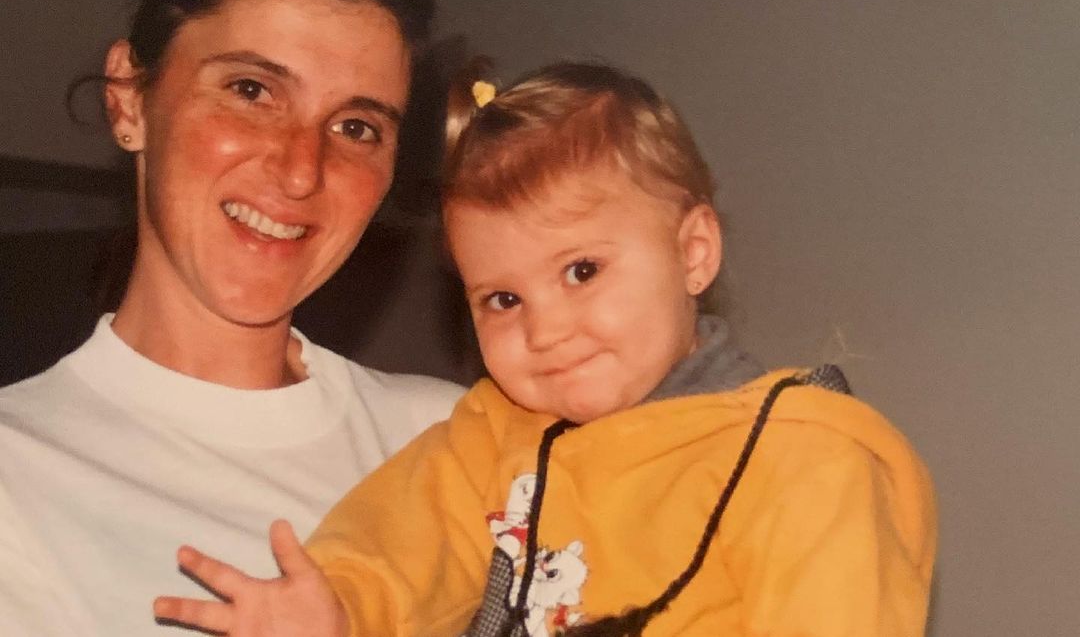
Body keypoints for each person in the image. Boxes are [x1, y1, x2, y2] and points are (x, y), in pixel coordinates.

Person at [154, 61, 938, 636]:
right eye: (503, 298)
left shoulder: (801, 457)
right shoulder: (496, 436)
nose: (546, 328)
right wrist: (335, 606)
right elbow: (395, 542)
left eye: (582, 270)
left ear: (694, 251)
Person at [0, 0, 464, 634]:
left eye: (356, 127)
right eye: (251, 90)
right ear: (130, 95)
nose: (302, 170)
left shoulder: (454, 440)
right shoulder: (18, 475)